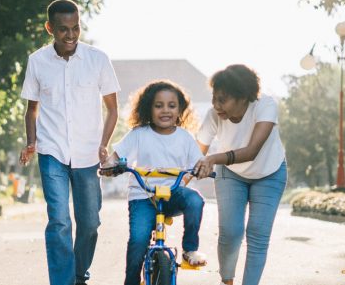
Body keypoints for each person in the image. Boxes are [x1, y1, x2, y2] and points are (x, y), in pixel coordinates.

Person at [19, 0, 120, 285]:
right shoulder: (37, 62)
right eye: (63, 29)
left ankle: (78, 276)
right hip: (52, 151)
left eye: (76, 28)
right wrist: (31, 142)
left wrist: (104, 143)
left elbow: (113, 109)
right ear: (50, 28)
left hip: (88, 153)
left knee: (89, 223)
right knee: (60, 221)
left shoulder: (97, 59)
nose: (71, 35)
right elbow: (32, 109)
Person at [193, 64, 287, 285]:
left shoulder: (265, 105)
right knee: (231, 232)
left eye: (222, 100)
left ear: (243, 97)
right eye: (214, 98)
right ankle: (227, 281)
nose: (216, 106)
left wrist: (214, 159)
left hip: (269, 173)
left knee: (257, 235)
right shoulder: (214, 115)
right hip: (231, 174)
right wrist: (177, 182)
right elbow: (196, 156)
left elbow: (252, 151)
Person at [107, 80, 207, 285]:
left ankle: (189, 249)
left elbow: (198, 162)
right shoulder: (139, 134)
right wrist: (109, 165)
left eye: (172, 105)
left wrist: (203, 168)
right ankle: (131, 281)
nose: (165, 110)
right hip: (143, 196)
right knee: (138, 241)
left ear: (180, 110)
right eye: (158, 105)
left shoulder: (185, 137)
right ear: (148, 109)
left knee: (195, 200)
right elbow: (115, 157)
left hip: (172, 193)